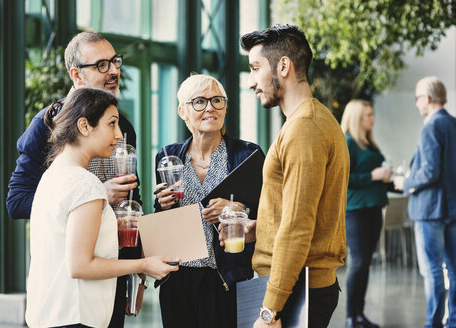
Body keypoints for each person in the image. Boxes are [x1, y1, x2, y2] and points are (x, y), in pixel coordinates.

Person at [6, 32, 142, 327]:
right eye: (102, 65)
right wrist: (92, 198)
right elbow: (16, 202)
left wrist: (136, 272)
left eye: (115, 62)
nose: (114, 71)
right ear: (76, 75)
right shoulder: (47, 125)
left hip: (111, 273)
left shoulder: (123, 124)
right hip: (68, 286)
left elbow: (132, 201)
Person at [25, 87, 179, 328]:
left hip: (49, 315)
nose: (119, 135)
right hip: (76, 318)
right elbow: (80, 265)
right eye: (112, 124)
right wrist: (144, 265)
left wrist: (109, 225)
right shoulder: (86, 183)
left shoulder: (53, 175)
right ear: (85, 126)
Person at [240, 24, 350, 328]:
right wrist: (261, 228)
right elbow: (299, 212)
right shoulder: (310, 120)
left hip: (294, 290)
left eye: (255, 68)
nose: (251, 82)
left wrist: (269, 309)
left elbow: (298, 226)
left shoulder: (305, 128)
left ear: (284, 66)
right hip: (296, 284)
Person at [153, 73, 264, 327]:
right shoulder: (168, 156)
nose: (210, 108)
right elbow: (161, 221)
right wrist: (162, 205)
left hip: (227, 279)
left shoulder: (248, 155)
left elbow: (269, 213)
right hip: (178, 280)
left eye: (217, 100)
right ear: (183, 111)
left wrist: (239, 209)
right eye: (199, 102)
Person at [394, 76, 456, 328]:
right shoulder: (453, 123)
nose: (417, 103)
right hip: (452, 208)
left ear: (427, 99)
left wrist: (405, 183)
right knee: (453, 269)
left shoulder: (432, 126)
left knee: (432, 271)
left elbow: (429, 171)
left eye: (418, 98)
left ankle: (433, 323)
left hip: (430, 211)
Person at [341, 100, 392, 328]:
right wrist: (373, 176)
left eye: (372, 114)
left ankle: (360, 313)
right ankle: (351, 316)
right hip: (356, 212)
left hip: (374, 209)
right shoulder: (348, 143)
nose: (372, 119)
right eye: (368, 115)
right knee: (359, 263)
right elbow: (344, 179)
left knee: (366, 263)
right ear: (357, 118)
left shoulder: (369, 144)